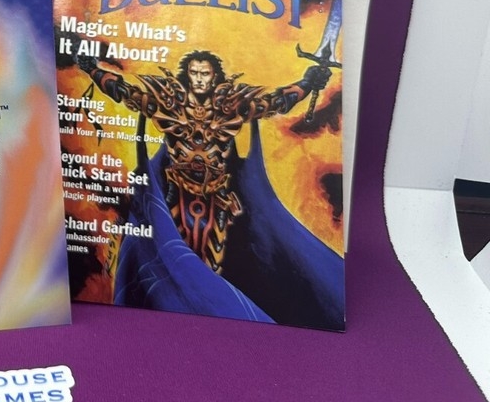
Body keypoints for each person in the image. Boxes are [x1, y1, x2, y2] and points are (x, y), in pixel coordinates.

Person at [82, 49, 330, 274]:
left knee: (211, 261)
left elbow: (274, 103)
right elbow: (125, 92)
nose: (199, 79)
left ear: (214, 77)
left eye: (205, 74)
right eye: (195, 73)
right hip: (177, 189)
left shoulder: (230, 107)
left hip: (215, 194)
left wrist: (307, 83)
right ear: (187, 75)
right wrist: (91, 69)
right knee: (171, 250)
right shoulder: (169, 104)